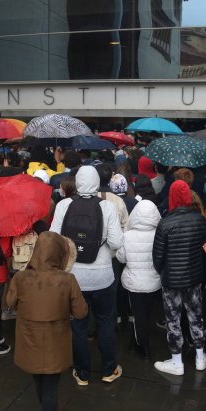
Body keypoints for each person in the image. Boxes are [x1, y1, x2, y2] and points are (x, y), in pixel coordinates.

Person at [50, 165, 124, 386]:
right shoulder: (107, 207)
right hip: (103, 277)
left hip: (74, 278)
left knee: (78, 326)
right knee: (105, 323)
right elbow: (117, 243)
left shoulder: (64, 205)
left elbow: (53, 238)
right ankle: (109, 369)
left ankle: (81, 373)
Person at [6, 232, 88, 411]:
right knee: (51, 387)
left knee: (39, 383)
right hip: (56, 344)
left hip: (29, 341)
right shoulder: (67, 280)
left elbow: (9, 303)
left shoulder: (20, 277)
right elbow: (81, 312)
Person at [152, 180, 206, 376]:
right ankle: (200, 357)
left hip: (171, 281)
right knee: (196, 317)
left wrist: (163, 272)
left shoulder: (165, 224)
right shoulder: (202, 221)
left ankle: (177, 362)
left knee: (173, 320)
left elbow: (157, 257)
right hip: (194, 279)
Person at [115, 200, 161, 360]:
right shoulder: (159, 234)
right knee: (147, 313)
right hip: (154, 282)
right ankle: (141, 338)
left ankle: (142, 344)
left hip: (133, 282)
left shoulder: (127, 236)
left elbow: (121, 259)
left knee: (138, 313)